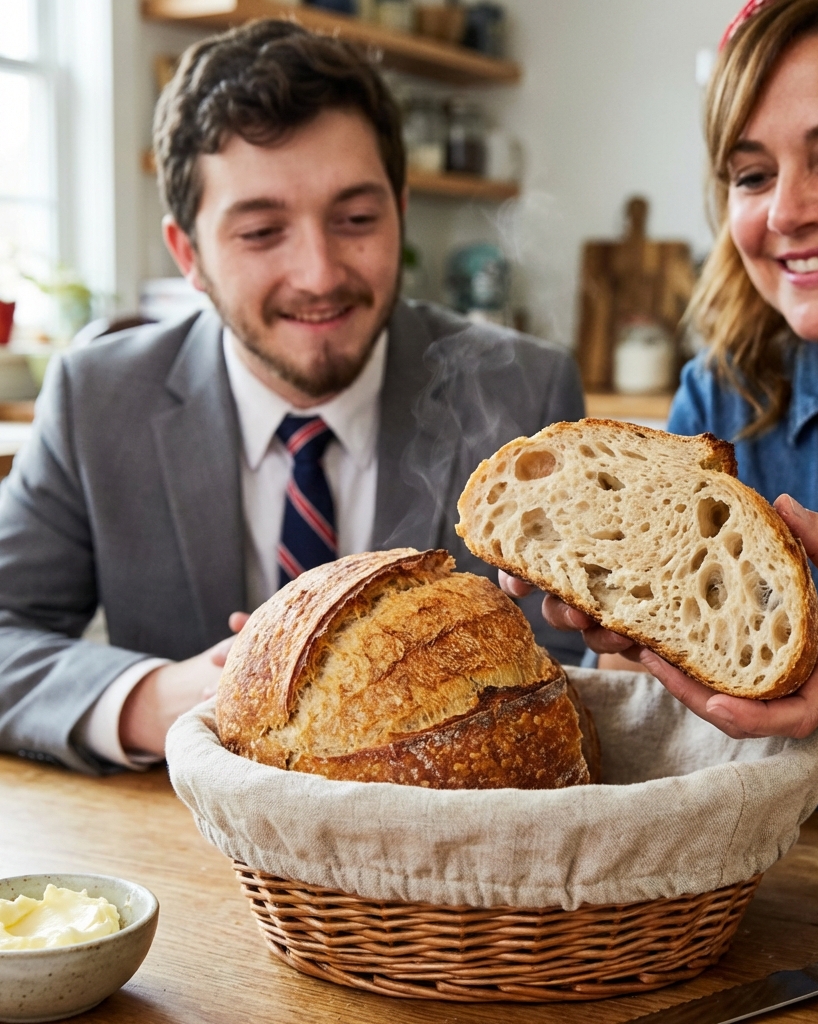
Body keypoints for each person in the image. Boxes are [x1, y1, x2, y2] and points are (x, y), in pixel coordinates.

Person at [0, 20, 584, 774]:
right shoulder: (97, 401)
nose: (318, 273)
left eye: (356, 220)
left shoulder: (522, 390)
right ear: (190, 256)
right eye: (261, 231)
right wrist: (153, 698)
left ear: (400, 211)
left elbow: (572, 675)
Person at [507, 0, 818, 837]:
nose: (785, 213)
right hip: (777, 929)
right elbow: (669, 760)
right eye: (751, 175)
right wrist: (629, 636)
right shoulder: (720, 408)